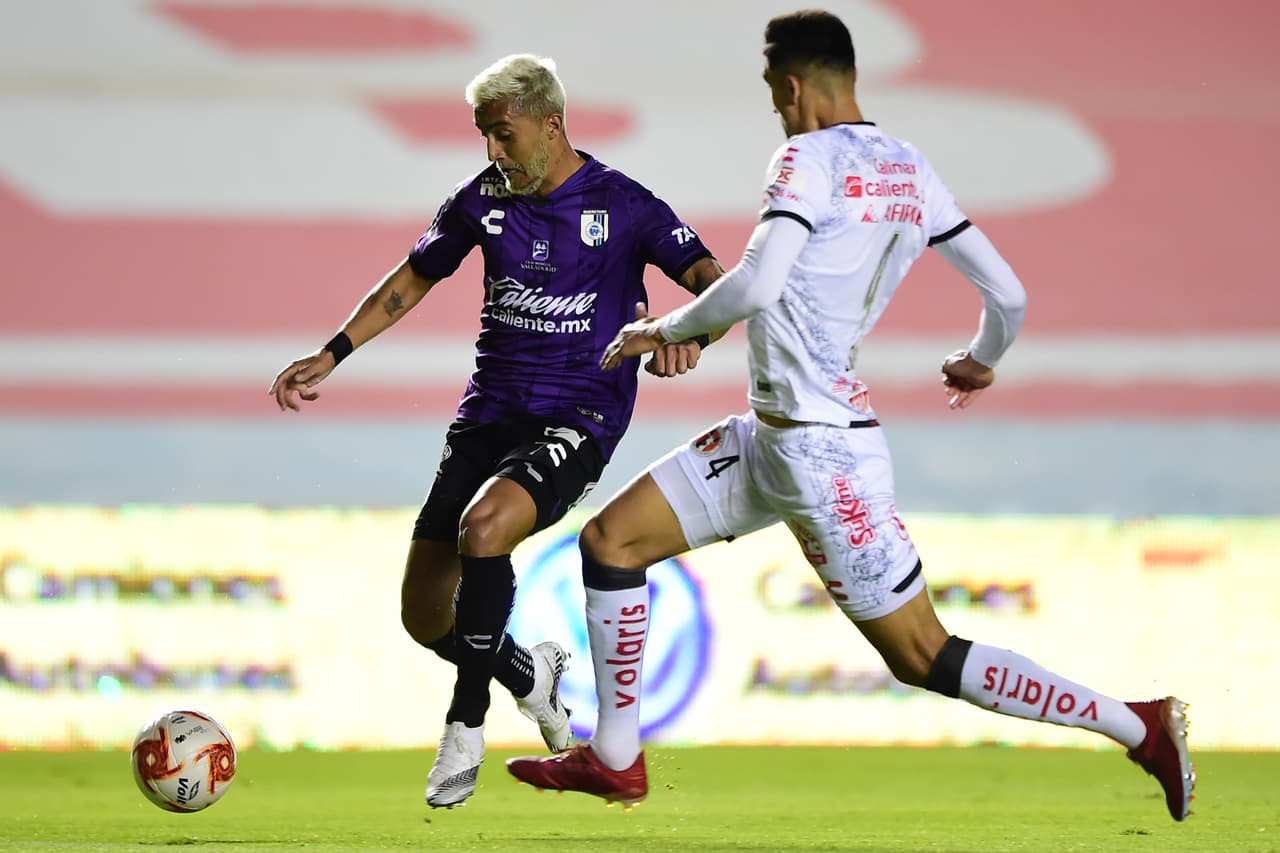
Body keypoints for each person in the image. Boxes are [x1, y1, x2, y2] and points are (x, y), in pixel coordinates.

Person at [505, 10, 1194, 822]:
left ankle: (1139, 725)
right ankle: (617, 757)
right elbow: (1008, 294)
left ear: (793, 85)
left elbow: (758, 284)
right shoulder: (910, 169)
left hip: (823, 457)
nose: (776, 109)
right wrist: (982, 358)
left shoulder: (805, 158)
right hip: (772, 438)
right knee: (611, 542)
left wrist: (664, 328)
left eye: (774, 93)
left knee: (923, 653)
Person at [268, 53, 725, 809]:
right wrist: (333, 352)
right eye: (483, 134)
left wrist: (689, 334)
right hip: (488, 414)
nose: (492, 150)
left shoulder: (624, 204)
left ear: (552, 124)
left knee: (486, 529)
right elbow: (413, 276)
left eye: (504, 134)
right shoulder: (480, 199)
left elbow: (716, 283)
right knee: (424, 616)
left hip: (581, 414)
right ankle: (528, 675)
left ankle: (465, 727)